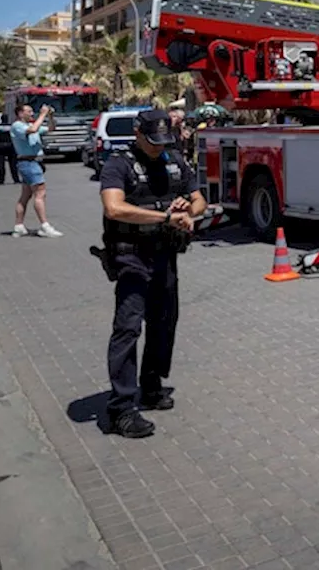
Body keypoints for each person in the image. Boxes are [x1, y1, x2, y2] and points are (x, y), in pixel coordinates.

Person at [97, 109, 206, 439]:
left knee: (163, 322)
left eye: (163, 141)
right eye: (153, 141)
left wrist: (188, 212)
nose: (159, 148)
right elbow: (113, 207)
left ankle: (151, 384)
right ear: (138, 133)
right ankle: (121, 408)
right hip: (131, 255)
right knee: (128, 327)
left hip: (165, 254)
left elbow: (199, 199)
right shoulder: (120, 162)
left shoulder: (173, 160)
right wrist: (162, 218)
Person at [10, 104, 62, 237]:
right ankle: (44, 226)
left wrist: (50, 116)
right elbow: (33, 129)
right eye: (29, 111)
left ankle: (19, 225)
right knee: (40, 194)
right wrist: (42, 114)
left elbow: (51, 128)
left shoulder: (32, 125)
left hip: (34, 162)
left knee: (25, 195)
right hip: (28, 162)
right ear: (20, 114)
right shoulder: (17, 126)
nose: (32, 113)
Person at [0, 115, 19, 185]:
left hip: (0, 147)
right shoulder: (12, 127)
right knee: (13, 164)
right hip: (11, 146)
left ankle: (1, 180)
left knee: (0, 164)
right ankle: (16, 179)